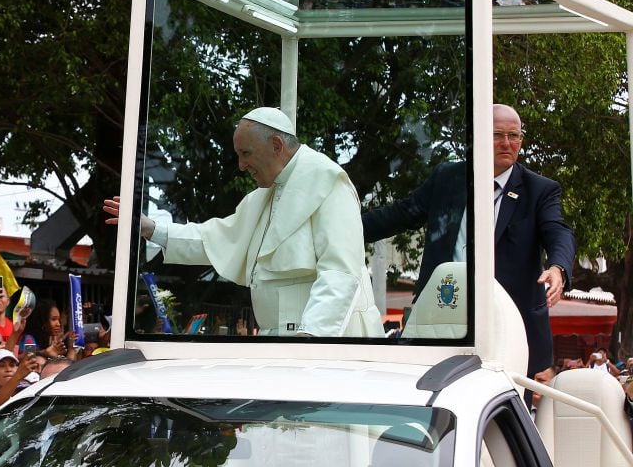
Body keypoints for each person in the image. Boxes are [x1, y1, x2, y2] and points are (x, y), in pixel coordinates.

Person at [104, 107, 382, 337]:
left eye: (246, 153)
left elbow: (340, 270)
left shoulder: (328, 180)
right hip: (280, 341)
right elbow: (215, 239)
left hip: (324, 341)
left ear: (276, 145)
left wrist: (310, 338)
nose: (241, 165)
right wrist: (151, 229)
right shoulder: (263, 197)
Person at [362, 103, 575, 379]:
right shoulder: (448, 178)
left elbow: (558, 231)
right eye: (498, 134)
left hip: (507, 325)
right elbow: (400, 214)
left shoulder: (540, 190)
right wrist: (346, 228)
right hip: (443, 314)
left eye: (515, 136)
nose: (507, 143)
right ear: (479, 137)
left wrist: (558, 267)